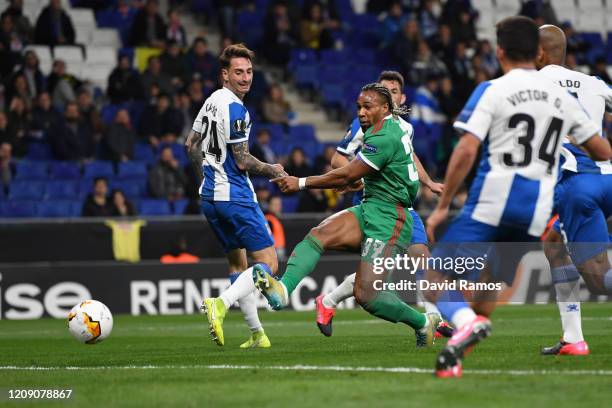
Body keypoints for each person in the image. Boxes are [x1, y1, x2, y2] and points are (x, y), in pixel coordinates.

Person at [421, 16, 611, 378]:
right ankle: (458, 353)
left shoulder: (493, 88)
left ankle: (462, 323)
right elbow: (602, 150)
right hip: (537, 212)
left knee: (428, 276)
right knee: (493, 281)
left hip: (494, 203)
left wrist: (443, 207)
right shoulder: (567, 95)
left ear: (500, 51)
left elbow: (465, 149)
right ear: (537, 52)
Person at [208, 83, 442, 350]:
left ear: (385, 108)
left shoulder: (384, 137)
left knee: (368, 295)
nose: (361, 113)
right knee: (318, 235)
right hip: (371, 206)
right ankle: (282, 290)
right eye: (359, 107)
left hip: (392, 217)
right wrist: (361, 181)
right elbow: (367, 171)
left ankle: (424, 321)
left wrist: (301, 183)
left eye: (368, 107)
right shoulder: (389, 129)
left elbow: (345, 173)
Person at [315, 71, 449, 340]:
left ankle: (434, 319)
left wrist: (428, 182)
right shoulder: (360, 125)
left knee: (421, 257)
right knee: (375, 278)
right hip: (374, 206)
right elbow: (337, 162)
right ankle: (329, 301)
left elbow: (410, 157)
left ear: (400, 98)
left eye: (394, 91)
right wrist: (363, 180)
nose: (390, 95)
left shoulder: (404, 128)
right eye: (384, 91)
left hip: (402, 206)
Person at [185, 44, 286, 348]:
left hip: (211, 198)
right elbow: (243, 161)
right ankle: (222, 304)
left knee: (236, 265)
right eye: (238, 72)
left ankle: (257, 333)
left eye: (249, 72)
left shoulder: (211, 100)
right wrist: (273, 169)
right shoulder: (235, 108)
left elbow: (191, 145)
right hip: (236, 196)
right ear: (224, 75)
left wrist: (205, 181)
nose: (245, 78)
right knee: (270, 262)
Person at [535, 25, 612, 356]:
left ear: (539, 52)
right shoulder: (594, 83)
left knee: (598, 279)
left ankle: (575, 340)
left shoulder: (529, 83)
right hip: (606, 175)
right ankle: (573, 338)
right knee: (554, 246)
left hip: (576, 184)